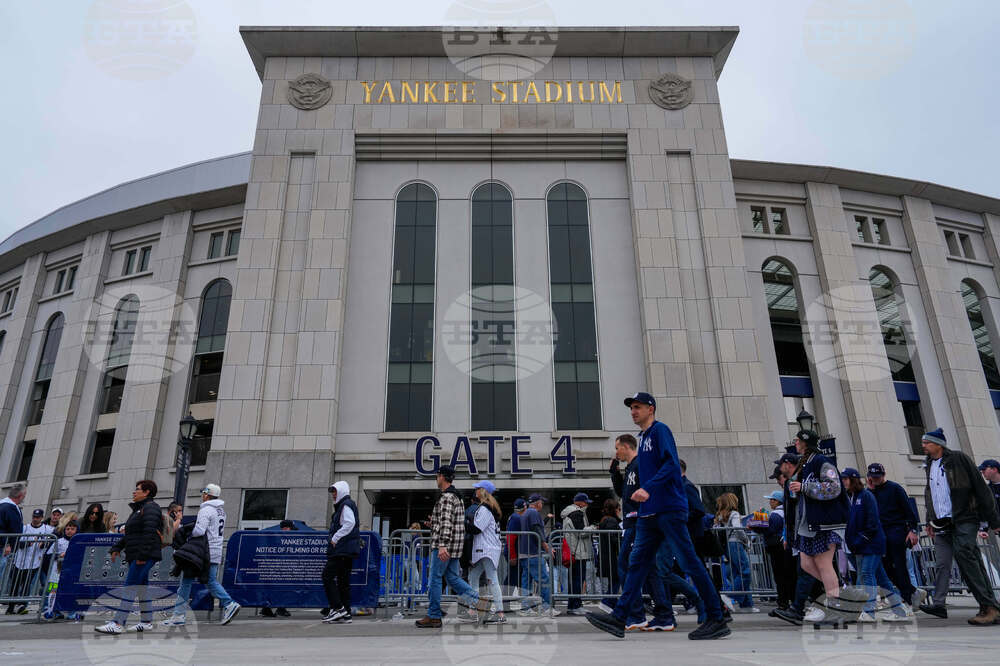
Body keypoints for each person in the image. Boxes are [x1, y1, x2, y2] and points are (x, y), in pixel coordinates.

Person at [586, 392, 728, 640]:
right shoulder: (643, 438)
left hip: (669, 509)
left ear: (650, 409)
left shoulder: (660, 431)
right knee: (636, 564)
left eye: (638, 407)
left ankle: (716, 617)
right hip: (648, 514)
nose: (633, 411)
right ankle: (620, 617)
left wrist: (648, 488)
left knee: (689, 562)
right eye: (631, 408)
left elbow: (671, 465)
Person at [919, 428, 1000, 625]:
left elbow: (981, 489)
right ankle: (990, 606)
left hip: (964, 517)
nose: (923, 446)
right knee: (970, 560)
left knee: (965, 555)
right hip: (942, 522)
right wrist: (930, 519)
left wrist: (994, 521)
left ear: (939, 444)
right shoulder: (929, 464)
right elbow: (931, 494)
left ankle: (988, 607)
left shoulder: (958, 459)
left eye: (927, 442)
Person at [784, 429, 849, 624]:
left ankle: (836, 606)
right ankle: (839, 591)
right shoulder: (806, 463)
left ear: (805, 442)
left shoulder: (821, 461)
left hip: (825, 523)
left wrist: (804, 487)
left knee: (823, 563)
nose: (795, 442)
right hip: (809, 523)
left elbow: (834, 487)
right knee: (806, 564)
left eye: (798, 440)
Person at [415, 466, 485, 628]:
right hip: (454, 546)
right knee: (453, 578)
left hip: (445, 546)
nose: (436, 478)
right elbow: (449, 522)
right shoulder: (456, 496)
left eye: (437, 475)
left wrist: (442, 545)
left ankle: (434, 616)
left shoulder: (446, 497)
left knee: (435, 579)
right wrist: (434, 523)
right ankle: (480, 603)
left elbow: (446, 523)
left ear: (442, 477)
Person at [163, 484, 240, 627]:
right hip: (215, 549)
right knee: (207, 580)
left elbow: (199, 530)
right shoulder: (221, 511)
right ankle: (180, 613)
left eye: (204, 493)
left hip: (202, 552)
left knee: (188, 582)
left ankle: (228, 603)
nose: (202, 495)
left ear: (207, 495)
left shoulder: (206, 510)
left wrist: (187, 534)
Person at [94, 480, 164, 634]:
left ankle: (118, 623)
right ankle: (146, 621)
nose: (134, 491)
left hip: (144, 554)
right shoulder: (139, 509)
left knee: (130, 587)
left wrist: (142, 556)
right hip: (138, 553)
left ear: (146, 492)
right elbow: (131, 534)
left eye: (137, 489)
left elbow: (149, 533)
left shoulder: (151, 508)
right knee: (142, 588)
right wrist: (117, 547)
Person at [841, 468, 909, 622]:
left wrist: (861, 539)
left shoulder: (866, 496)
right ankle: (900, 610)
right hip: (859, 545)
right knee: (882, 579)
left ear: (853, 479)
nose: (843, 482)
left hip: (872, 543)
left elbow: (872, 521)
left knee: (866, 574)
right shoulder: (849, 498)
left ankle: (869, 611)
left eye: (845, 479)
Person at [865, 462, 922, 608]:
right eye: (873, 477)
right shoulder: (869, 493)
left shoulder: (895, 488)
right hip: (880, 534)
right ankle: (911, 591)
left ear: (883, 475)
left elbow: (909, 511)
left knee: (900, 566)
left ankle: (908, 599)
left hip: (896, 531)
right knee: (886, 569)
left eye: (878, 477)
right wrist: (870, 490)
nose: (876, 480)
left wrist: (912, 530)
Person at [322, 481, 361, 625]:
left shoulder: (345, 505)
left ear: (342, 491)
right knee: (343, 582)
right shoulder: (345, 505)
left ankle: (338, 608)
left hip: (341, 550)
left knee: (327, 576)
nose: (333, 494)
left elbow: (350, 523)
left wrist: (335, 538)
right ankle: (346, 614)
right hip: (346, 550)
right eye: (332, 492)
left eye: (335, 491)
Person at [467, 480, 505, 624]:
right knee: (473, 576)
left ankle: (500, 613)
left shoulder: (485, 508)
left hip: (486, 548)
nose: (475, 491)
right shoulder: (490, 507)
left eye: (477, 488)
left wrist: (463, 523)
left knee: (492, 580)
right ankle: (473, 609)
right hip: (487, 548)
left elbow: (476, 528)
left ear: (482, 491)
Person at [517, 493, 558, 617]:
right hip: (533, 553)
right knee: (544, 580)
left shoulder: (525, 513)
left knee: (526, 582)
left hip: (524, 553)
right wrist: (547, 547)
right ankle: (546, 607)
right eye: (542, 502)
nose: (542, 504)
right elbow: (537, 531)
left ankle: (525, 607)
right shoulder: (534, 513)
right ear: (538, 503)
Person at [714, 492, 755, 612]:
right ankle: (729, 595)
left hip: (727, 545)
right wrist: (746, 540)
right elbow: (737, 528)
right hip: (736, 543)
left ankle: (746, 605)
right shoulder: (734, 514)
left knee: (738, 573)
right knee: (745, 572)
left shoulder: (720, 516)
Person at [6, 509, 52, 615]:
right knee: (15, 584)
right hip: (20, 561)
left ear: (42, 518)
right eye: (34, 517)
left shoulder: (47, 529)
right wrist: (28, 543)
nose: (35, 519)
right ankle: (11, 607)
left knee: (27, 584)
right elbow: (17, 542)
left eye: (38, 517)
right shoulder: (25, 528)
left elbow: (51, 541)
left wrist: (43, 544)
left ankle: (22, 605)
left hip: (34, 562)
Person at [560, 492, 594, 615]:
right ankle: (576, 606)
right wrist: (593, 528)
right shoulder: (576, 513)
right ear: (580, 503)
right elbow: (581, 532)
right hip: (578, 552)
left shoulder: (570, 513)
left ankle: (572, 605)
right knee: (578, 579)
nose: (587, 505)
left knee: (574, 579)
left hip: (574, 551)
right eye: (585, 502)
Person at [760, 490, 793, 611]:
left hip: (776, 547)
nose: (770, 502)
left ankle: (783, 602)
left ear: (777, 501)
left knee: (779, 576)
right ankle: (791, 600)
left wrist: (759, 519)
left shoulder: (775, 515)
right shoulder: (786, 512)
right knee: (788, 574)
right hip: (785, 546)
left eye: (772, 500)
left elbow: (768, 530)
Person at [262, 521, 296, 618]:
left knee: (277, 589)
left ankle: (269, 609)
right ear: (286, 528)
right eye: (290, 528)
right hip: (280, 568)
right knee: (282, 588)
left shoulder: (277, 537)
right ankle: (278, 609)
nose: (292, 531)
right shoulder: (282, 538)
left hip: (277, 567)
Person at [597, 499, 621, 602]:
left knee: (614, 580)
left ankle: (610, 601)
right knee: (616, 579)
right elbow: (612, 538)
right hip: (611, 555)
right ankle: (608, 601)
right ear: (615, 509)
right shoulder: (611, 521)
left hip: (608, 554)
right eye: (619, 509)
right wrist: (621, 542)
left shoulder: (605, 520)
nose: (619, 511)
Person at [506, 499, 525, 593]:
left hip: (514, 552)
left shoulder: (515, 517)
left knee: (516, 577)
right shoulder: (516, 518)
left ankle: (506, 598)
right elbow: (511, 537)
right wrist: (513, 556)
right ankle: (504, 598)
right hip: (514, 552)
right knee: (513, 578)